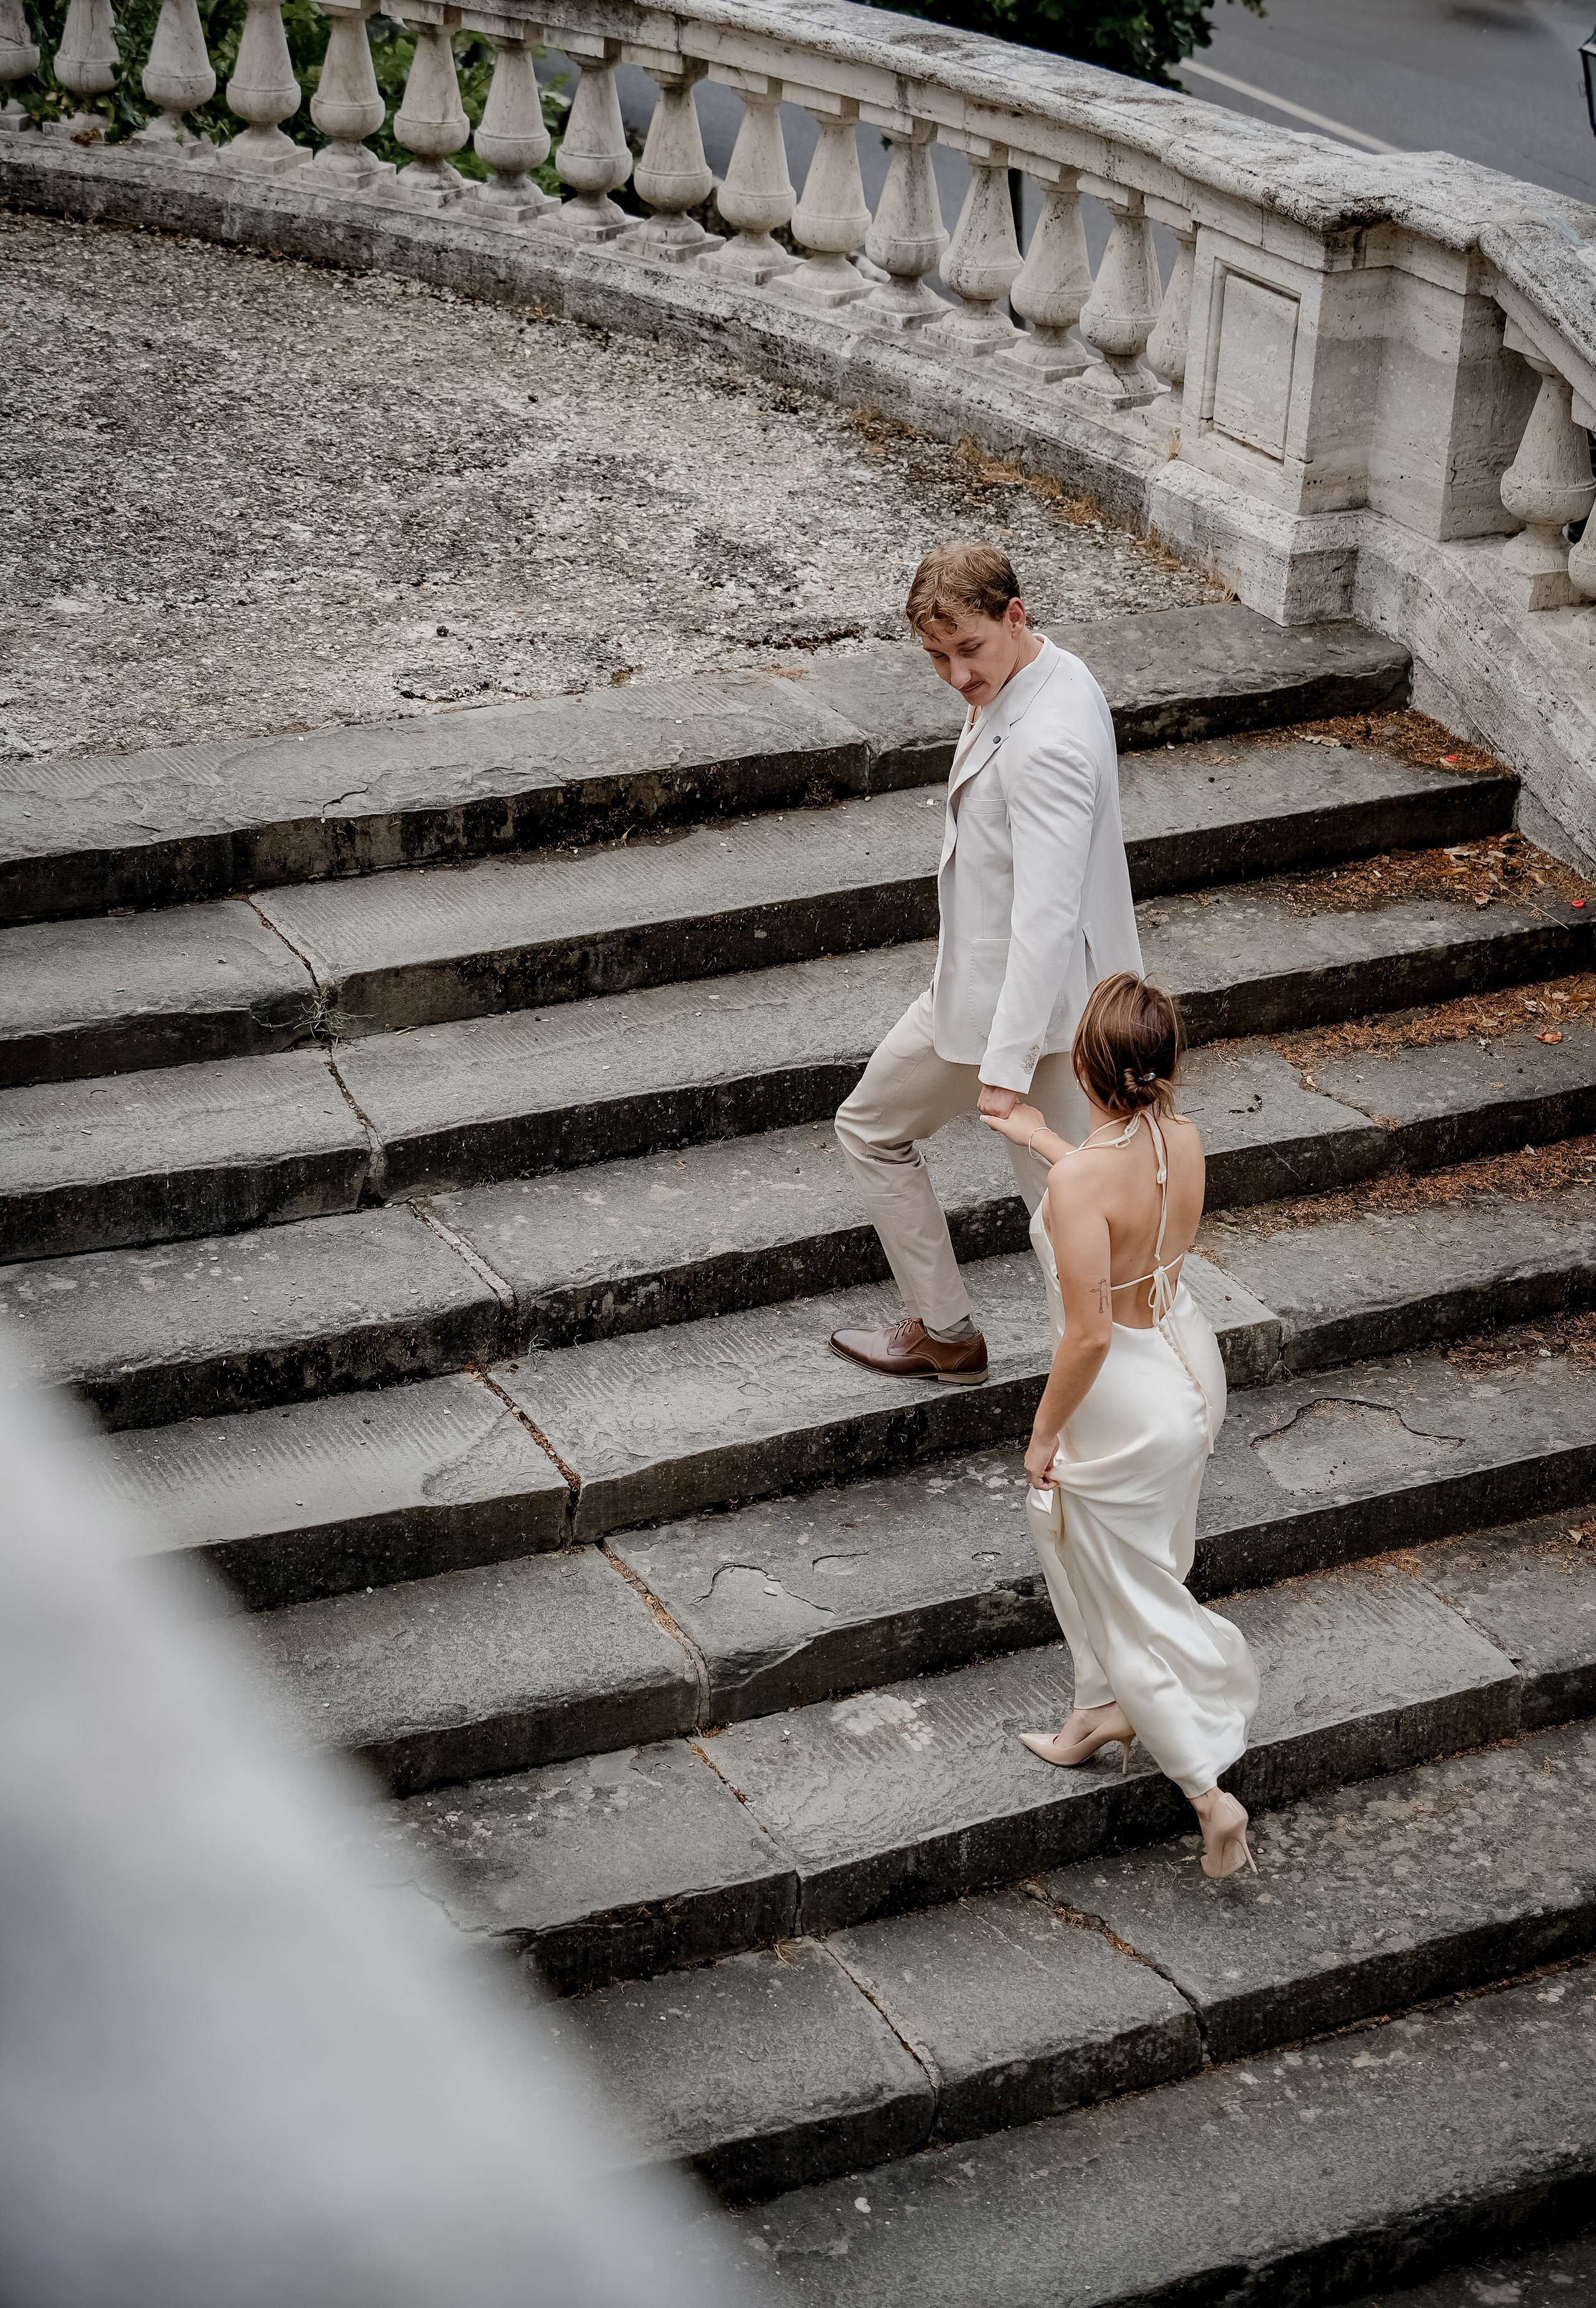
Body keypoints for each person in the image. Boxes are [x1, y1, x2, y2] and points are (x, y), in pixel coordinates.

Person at [829, 541, 1142, 1387]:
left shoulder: (1046, 744)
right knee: (877, 1129)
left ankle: (1110, 1421)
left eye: (969, 649)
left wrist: (1002, 1073)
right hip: (992, 992)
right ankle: (950, 1333)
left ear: (1016, 613)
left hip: (1035, 1016)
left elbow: (1047, 916)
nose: (957, 675)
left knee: (1063, 1229)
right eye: (938, 656)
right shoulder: (1047, 672)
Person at [984, 973, 1261, 1880]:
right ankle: (1094, 1712)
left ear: (1083, 1065)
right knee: (1134, 1575)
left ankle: (1209, 1797)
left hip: (1125, 1395)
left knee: (1120, 1597)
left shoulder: (1079, 1185)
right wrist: (1043, 1139)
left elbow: (1088, 1332)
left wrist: (1040, 1436)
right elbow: (1119, 1188)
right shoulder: (1179, 1137)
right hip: (1188, 1369)